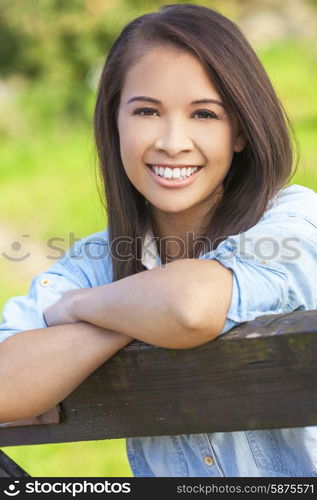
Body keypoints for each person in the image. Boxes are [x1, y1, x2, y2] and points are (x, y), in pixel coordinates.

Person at [0, 3, 317, 478]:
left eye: (204, 114)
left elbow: (189, 308)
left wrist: (79, 307)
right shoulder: (96, 259)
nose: (173, 141)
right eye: (147, 111)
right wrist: (134, 313)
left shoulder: (294, 221)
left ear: (241, 132)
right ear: (115, 122)